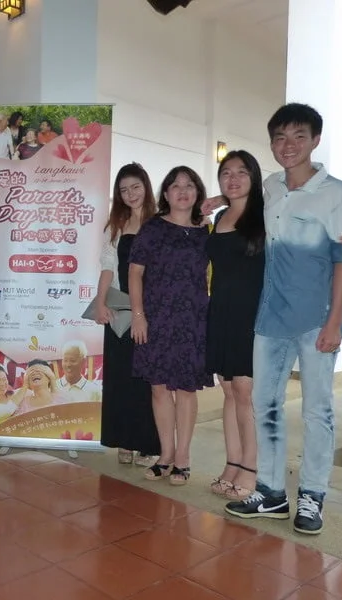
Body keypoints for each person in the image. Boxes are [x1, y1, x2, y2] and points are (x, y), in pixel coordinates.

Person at [224, 103, 342, 535]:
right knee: (265, 404)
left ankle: (312, 495)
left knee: (318, 410)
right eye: (280, 137)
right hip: (271, 316)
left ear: (315, 140)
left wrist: (335, 321)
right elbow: (245, 212)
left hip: (317, 317)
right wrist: (214, 199)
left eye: (299, 136)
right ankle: (270, 491)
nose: (289, 145)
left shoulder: (336, 192)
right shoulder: (271, 187)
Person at [129, 166, 213, 486]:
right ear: (165, 194)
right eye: (175, 185)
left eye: (189, 185)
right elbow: (135, 273)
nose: (182, 190)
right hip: (156, 318)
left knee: (186, 389)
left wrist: (212, 210)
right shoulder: (153, 228)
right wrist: (139, 315)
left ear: (198, 193)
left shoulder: (208, 231)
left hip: (193, 319)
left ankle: (183, 458)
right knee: (160, 387)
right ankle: (165, 455)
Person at [205, 151, 266, 501]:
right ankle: (232, 462)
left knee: (245, 391)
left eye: (242, 172)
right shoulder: (219, 216)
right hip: (221, 311)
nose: (233, 178)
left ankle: (251, 469)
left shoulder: (265, 215)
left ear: (254, 177)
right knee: (228, 390)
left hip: (252, 312)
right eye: (226, 172)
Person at [95, 163, 161, 466]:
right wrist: (100, 302)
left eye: (135, 186)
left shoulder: (161, 222)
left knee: (148, 380)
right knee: (121, 376)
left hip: (154, 310)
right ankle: (123, 439)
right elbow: (108, 267)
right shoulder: (116, 225)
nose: (130, 194)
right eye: (124, 190)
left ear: (146, 187)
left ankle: (148, 443)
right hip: (121, 309)